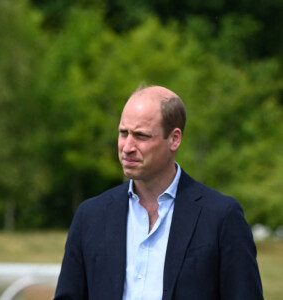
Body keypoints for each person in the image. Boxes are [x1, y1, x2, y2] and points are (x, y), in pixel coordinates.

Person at [54, 85, 264, 300]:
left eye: (141, 136)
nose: (127, 146)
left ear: (174, 139)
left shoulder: (221, 216)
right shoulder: (90, 216)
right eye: (123, 133)